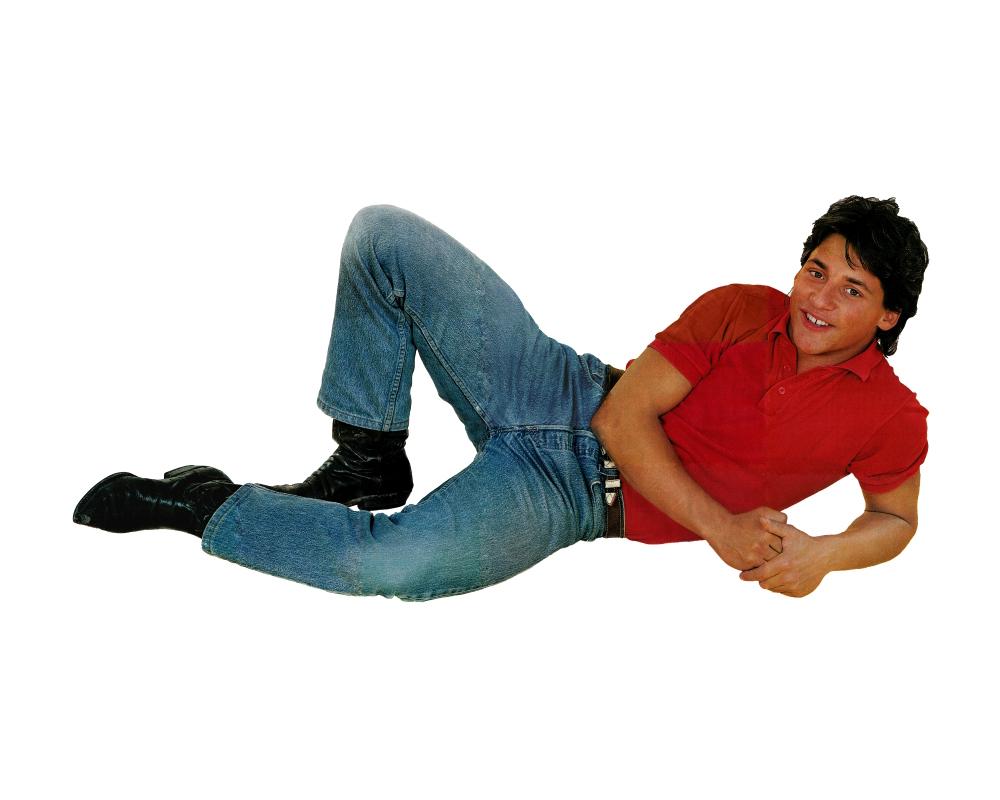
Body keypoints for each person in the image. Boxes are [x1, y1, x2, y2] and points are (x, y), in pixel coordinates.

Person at [72, 197, 929, 600]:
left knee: (391, 567)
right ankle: (368, 456)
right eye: (815, 270)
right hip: (558, 384)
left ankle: (207, 506)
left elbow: (894, 517)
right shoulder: (740, 307)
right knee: (383, 236)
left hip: (569, 499)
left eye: (851, 289)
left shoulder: (892, 418)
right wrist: (722, 527)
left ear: (889, 316)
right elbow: (620, 416)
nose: (818, 298)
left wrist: (823, 554)